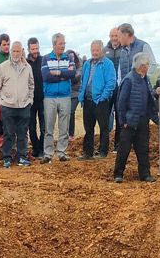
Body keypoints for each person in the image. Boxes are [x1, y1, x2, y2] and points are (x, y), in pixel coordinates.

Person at [112, 53, 156, 184]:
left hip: (143, 120)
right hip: (130, 121)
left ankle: (145, 174)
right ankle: (118, 174)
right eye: (147, 64)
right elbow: (121, 103)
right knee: (124, 149)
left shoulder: (145, 79)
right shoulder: (129, 80)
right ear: (142, 66)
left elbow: (148, 97)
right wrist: (123, 121)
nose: (148, 67)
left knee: (143, 148)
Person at [0, 40, 34, 168]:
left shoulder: (27, 67)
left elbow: (31, 85)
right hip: (8, 107)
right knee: (8, 133)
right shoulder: (2, 67)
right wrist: (0, 102)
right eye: (14, 51)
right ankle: (7, 158)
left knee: (22, 133)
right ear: (11, 51)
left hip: (24, 106)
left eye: (18, 51)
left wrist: (30, 100)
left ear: (22, 52)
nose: (16, 53)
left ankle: (22, 157)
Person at [40, 33, 77, 163]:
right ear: (54, 44)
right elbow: (46, 76)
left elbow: (72, 73)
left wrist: (57, 72)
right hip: (49, 97)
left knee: (64, 127)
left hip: (65, 96)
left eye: (64, 43)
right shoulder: (45, 58)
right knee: (48, 127)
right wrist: (63, 75)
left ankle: (61, 152)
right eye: (61, 43)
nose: (63, 46)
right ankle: (48, 154)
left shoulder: (69, 57)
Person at [78, 40, 116, 160]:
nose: (94, 52)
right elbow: (83, 80)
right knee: (88, 128)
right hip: (87, 100)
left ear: (102, 50)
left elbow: (111, 82)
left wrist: (103, 97)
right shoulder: (87, 64)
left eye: (97, 50)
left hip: (100, 101)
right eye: (93, 50)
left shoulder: (107, 64)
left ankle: (102, 152)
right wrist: (81, 95)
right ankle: (88, 153)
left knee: (103, 128)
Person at [27, 37, 46, 159]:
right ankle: (35, 147)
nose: (35, 51)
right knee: (31, 127)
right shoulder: (25, 63)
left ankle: (42, 149)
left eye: (37, 48)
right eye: (33, 49)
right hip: (30, 100)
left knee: (44, 127)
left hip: (43, 99)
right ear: (29, 49)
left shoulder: (44, 60)